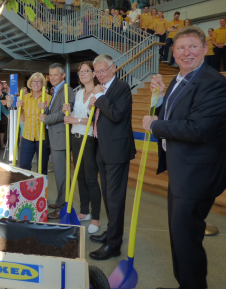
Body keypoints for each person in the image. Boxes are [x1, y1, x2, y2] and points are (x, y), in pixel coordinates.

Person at [142, 26, 226, 289]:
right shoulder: (180, 79)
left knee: (187, 238)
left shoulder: (212, 83)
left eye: (192, 46)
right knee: (180, 236)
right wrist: (158, 98)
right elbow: (169, 115)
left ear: (204, 48)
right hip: (181, 170)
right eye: (180, 48)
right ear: (173, 53)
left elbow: (198, 128)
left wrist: (155, 126)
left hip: (197, 174)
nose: (186, 52)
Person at [88, 54, 136, 260]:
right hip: (102, 148)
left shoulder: (122, 88)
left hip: (116, 151)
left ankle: (114, 245)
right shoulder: (103, 90)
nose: (99, 75)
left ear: (113, 68)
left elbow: (116, 114)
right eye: (96, 71)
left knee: (115, 199)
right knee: (108, 196)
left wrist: (99, 98)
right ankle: (111, 232)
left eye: (103, 71)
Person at [63, 62, 101, 234]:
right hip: (76, 138)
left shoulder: (99, 93)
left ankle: (96, 217)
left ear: (94, 74)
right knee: (80, 177)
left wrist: (76, 120)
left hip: (90, 139)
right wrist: (68, 114)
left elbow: (97, 120)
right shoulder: (78, 94)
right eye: (80, 71)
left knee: (91, 179)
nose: (82, 73)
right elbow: (75, 117)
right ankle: (84, 211)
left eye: (86, 71)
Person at [39, 63, 75, 219]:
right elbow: (57, 111)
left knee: (62, 174)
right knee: (60, 174)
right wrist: (46, 109)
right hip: (54, 137)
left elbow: (63, 114)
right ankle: (61, 201)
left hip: (61, 138)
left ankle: (62, 208)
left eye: (55, 75)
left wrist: (46, 118)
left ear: (63, 75)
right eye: (50, 75)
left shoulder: (67, 90)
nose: (52, 77)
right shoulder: (55, 90)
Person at [17, 73, 52, 175]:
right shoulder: (24, 98)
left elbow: (52, 117)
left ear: (43, 84)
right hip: (27, 136)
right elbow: (22, 120)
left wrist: (46, 111)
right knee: (24, 166)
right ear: (30, 83)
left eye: (39, 81)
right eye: (34, 81)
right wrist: (19, 109)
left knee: (42, 167)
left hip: (43, 137)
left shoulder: (49, 98)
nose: (36, 84)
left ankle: (40, 190)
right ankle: (26, 189)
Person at [0, 81, 8, 149]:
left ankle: (2, 143)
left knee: (2, 128)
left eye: (1, 84)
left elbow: (7, 101)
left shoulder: (4, 93)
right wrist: (2, 102)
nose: (1, 85)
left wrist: (0, 102)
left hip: (4, 113)